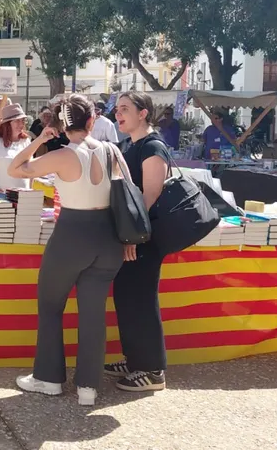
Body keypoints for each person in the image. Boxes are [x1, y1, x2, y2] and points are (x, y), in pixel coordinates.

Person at [6, 94, 129, 406]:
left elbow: (15, 169)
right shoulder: (112, 150)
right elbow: (130, 191)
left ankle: (49, 378)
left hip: (72, 234)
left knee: (50, 305)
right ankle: (88, 387)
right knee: (93, 313)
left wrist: (39, 139)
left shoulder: (62, 155)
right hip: (109, 237)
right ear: (91, 121)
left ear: (61, 125)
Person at [107, 91, 171, 392]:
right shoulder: (127, 145)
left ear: (143, 113)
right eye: (117, 109)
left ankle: (152, 370)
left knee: (141, 300)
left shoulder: (152, 146)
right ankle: (135, 359)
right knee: (126, 297)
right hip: (129, 234)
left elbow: (151, 194)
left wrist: (132, 234)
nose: (118, 114)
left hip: (144, 236)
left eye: (125, 109)